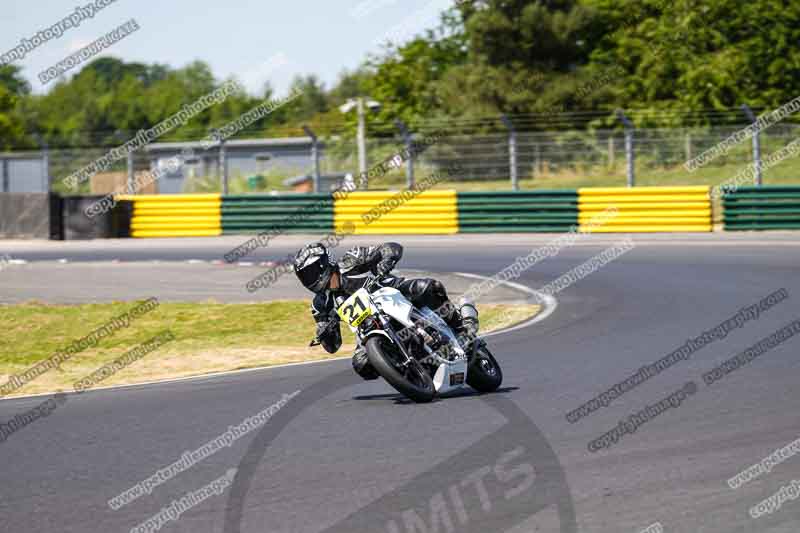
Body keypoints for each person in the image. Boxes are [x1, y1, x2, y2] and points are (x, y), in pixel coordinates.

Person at [293, 241, 478, 380]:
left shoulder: (351, 260)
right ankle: (411, 375)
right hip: (368, 329)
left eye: (309, 273)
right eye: (304, 277)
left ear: (323, 264)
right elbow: (333, 346)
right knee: (361, 364)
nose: (308, 280)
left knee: (428, 287)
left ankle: (462, 329)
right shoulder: (320, 305)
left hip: (396, 294)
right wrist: (325, 333)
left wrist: (387, 259)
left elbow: (391, 248)